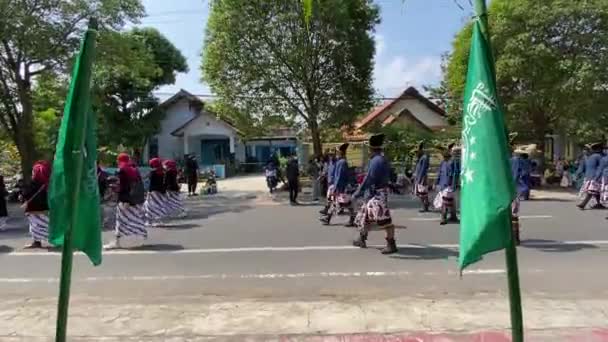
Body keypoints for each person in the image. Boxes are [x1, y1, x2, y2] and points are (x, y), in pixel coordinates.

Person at [352, 134, 398, 254]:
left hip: (377, 194)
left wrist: (358, 192)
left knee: (384, 220)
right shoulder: (380, 159)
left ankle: (391, 243)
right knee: (365, 216)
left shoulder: (376, 160)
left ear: (371, 149)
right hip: (374, 193)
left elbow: (369, 179)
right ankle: (361, 238)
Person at [104, 153, 147, 250]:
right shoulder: (134, 169)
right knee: (136, 219)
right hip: (136, 200)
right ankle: (141, 237)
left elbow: (124, 187)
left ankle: (117, 242)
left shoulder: (122, 170)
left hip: (125, 201)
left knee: (121, 221)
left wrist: (116, 190)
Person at [320, 143, 355, 226]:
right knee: (338, 203)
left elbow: (339, 176)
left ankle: (352, 219)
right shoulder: (342, 161)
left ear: (340, 153)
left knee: (345, 204)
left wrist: (335, 188)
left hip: (342, 187)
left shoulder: (341, 162)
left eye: (337, 152)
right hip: (342, 186)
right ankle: (328, 218)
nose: (336, 154)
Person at [22, 161, 51, 249]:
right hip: (46, 208)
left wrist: (22, 196)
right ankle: (58, 240)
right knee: (47, 224)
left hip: (34, 209)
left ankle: (36, 242)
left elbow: (27, 193)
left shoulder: (34, 183)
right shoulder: (50, 183)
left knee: (35, 226)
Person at [435, 144, 460, 225]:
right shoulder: (443, 162)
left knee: (445, 201)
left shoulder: (453, 162)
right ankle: (453, 216)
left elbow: (455, 173)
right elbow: (440, 173)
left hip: (449, 184)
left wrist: (454, 184)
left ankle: (443, 217)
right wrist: (436, 182)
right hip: (443, 184)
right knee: (450, 201)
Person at [576, 142, 604, 210]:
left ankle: (588, 204)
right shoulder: (596, 157)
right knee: (593, 191)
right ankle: (589, 204)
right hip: (592, 176)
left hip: (592, 176)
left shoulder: (594, 156)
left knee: (593, 191)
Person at [145, 158, 167, 226]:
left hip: (153, 191)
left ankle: (149, 221)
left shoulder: (153, 172)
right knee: (160, 205)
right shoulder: (163, 171)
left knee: (149, 206)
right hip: (161, 190)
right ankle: (160, 221)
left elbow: (149, 181)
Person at [510, 134, 523, 245]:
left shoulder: (514, 160)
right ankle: (515, 238)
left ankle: (514, 238)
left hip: (509, 189)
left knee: (512, 214)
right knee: (513, 214)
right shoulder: (516, 160)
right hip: (513, 189)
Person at [413, 141, 430, 212]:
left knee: (423, 193)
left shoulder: (424, 158)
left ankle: (425, 205)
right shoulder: (420, 158)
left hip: (422, 178)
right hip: (418, 177)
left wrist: (420, 179)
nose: (416, 153)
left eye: (417, 151)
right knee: (421, 193)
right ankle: (425, 205)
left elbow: (423, 169)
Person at [319, 150, 337, 215]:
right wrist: (323, 176)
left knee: (332, 198)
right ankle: (327, 210)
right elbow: (327, 172)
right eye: (329, 155)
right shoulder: (330, 163)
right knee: (330, 198)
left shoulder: (337, 163)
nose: (331, 156)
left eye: (332, 155)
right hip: (329, 182)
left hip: (334, 183)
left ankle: (327, 211)